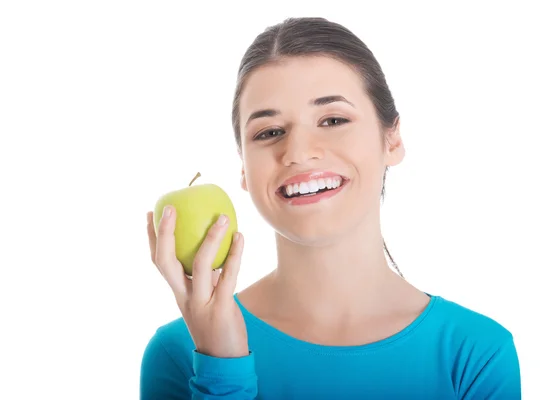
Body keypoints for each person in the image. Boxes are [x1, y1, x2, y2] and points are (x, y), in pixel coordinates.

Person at [140, 17, 521, 399]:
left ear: (392, 140)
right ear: (243, 166)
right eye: (269, 132)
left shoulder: (476, 354)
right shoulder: (181, 353)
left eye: (333, 119)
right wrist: (221, 368)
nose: (299, 152)